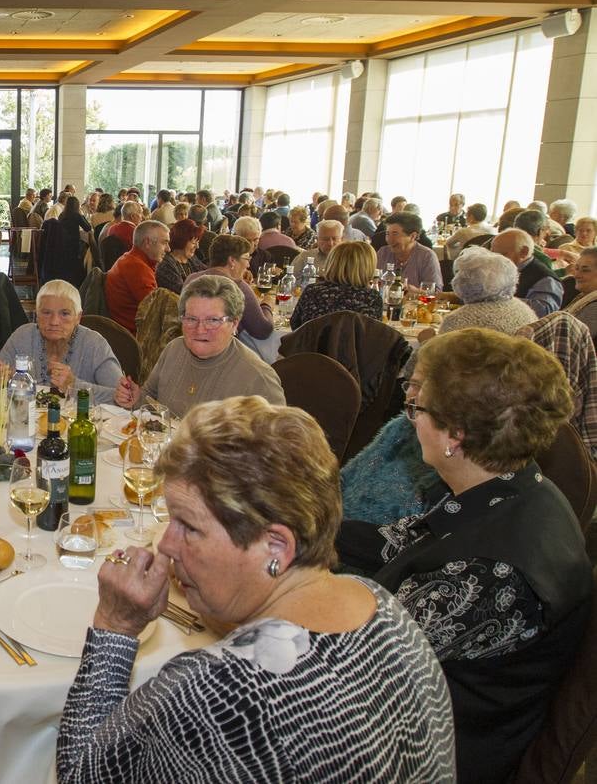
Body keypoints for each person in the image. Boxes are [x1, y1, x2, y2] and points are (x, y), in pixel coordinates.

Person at [59, 396, 454, 783]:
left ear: (276, 547)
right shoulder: (384, 606)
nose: (166, 545)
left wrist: (115, 626)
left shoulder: (221, 691)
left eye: (189, 526)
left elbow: (81, 774)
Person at [337, 329, 590, 783]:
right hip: (410, 707)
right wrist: (298, 528)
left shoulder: (492, 575)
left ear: (456, 433)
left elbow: (350, 665)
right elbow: (398, 541)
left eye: (418, 408)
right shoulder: (507, 486)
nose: (410, 419)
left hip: (430, 752)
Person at [116, 275, 284, 416]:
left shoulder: (259, 380)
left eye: (212, 320)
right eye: (191, 319)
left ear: (234, 323)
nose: (200, 329)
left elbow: (276, 449)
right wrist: (135, 398)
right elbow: (150, 396)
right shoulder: (174, 349)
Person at [0, 280, 123, 403]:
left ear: (78, 317)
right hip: (28, 424)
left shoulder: (94, 344)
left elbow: (124, 398)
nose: (54, 321)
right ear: (36, 315)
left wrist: (74, 386)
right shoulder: (23, 337)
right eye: (46, 313)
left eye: (65, 313)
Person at [187, 234, 275, 345]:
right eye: (247, 258)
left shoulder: (191, 279)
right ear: (232, 261)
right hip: (222, 352)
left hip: (190, 344)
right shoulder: (237, 287)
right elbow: (263, 330)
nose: (248, 265)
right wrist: (267, 305)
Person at [437, 247, 536, 336]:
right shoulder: (523, 308)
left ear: (459, 283)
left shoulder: (458, 320)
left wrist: (425, 339)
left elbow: (437, 354)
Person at [288, 241, 382, 331]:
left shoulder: (313, 291)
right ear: (368, 268)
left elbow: (295, 325)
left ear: (331, 263)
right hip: (353, 347)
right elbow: (374, 334)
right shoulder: (371, 297)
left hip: (312, 347)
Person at [104, 221, 168, 330]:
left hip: (127, 330)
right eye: (164, 243)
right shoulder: (137, 267)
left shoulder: (129, 258)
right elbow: (157, 311)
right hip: (137, 336)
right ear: (147, 243)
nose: (168, 249)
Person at [491, 229, 562, 318]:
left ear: (524, 252)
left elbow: (543, 311)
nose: (495, 259)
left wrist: (497, 299)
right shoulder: (502, 267)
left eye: (502, 255)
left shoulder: (545, 279)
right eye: (493, 254)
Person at [376, 211, 441, 291]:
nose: (389, 239)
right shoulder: (383, 253)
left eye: (395, 234)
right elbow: (373, 282)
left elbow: (435, 292)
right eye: (387, 234)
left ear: (413, 236)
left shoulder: (426, 256)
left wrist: (413, 290)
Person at [40, 196, 91, 287]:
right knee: (86, 248)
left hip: (61, 244)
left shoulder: (62, 215)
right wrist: (81, 214)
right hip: (74, 245)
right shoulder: (76, 215)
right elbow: (87, 227)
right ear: (77, 206)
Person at [153, 219, 207, 296]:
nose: (197, 247)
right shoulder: (165, 265)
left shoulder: (191, 258)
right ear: (182, 241)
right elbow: (183, 292)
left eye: (198, 242)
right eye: (193, 242)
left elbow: (208, 274)